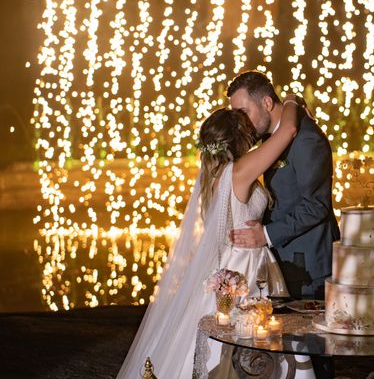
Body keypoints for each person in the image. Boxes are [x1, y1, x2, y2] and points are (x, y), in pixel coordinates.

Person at [117, 97, 304, 379]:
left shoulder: (213, 176)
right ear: (238, 139)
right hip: (247, 268)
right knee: (251, 341)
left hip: (233, 261)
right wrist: (292, 101)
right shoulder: (238, 172)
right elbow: (287, 130)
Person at [228, 71, 340, 299]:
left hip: (310, 267)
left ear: (267, 103)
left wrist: (266, 235)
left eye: (244, 112)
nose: (241, 122)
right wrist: (293, 100)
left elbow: (316, 206)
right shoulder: (269, 139)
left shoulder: (307, 138)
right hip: (283, 262)